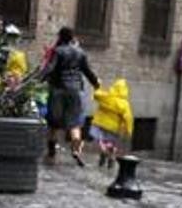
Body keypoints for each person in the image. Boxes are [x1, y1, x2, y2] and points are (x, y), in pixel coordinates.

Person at [42, 27, 100, 166]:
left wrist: (40, 78)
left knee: (53, 124)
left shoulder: (58, 51)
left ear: (60, 37)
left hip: (58, 89)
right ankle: (76, 150)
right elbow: (88, 71)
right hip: (75, 90)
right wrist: (96, 84)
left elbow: (50, 68)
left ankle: (51, 154)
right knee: (74, 123)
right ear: (72, 37)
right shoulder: (80, 52)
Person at [91, 78, 133, 169]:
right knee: (111, 143)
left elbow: (96, 95)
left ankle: (103, 152)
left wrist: (98, 86)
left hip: (100, 124)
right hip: (114, 128)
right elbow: (128, 118)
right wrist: (128, 130)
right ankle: (111, 158)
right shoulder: (125, 104)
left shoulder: (107, 97)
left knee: (101, 140)